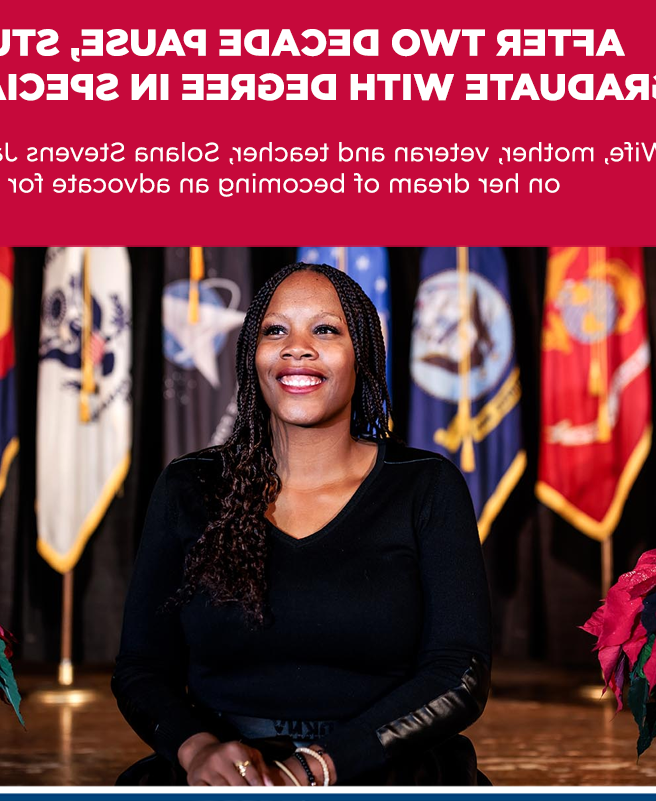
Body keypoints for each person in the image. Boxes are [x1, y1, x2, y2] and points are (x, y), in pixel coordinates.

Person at [112, 262, 492, 786]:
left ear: (362, 353)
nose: (297, 347)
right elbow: (140, 668)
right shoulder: (190, 487)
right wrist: (199, 752)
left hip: (385, 767)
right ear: (254, 354)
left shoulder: (425, 487)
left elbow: (459, 673)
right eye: (276, 330)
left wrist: (319, 766)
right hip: (225, 775)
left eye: (326, 329)